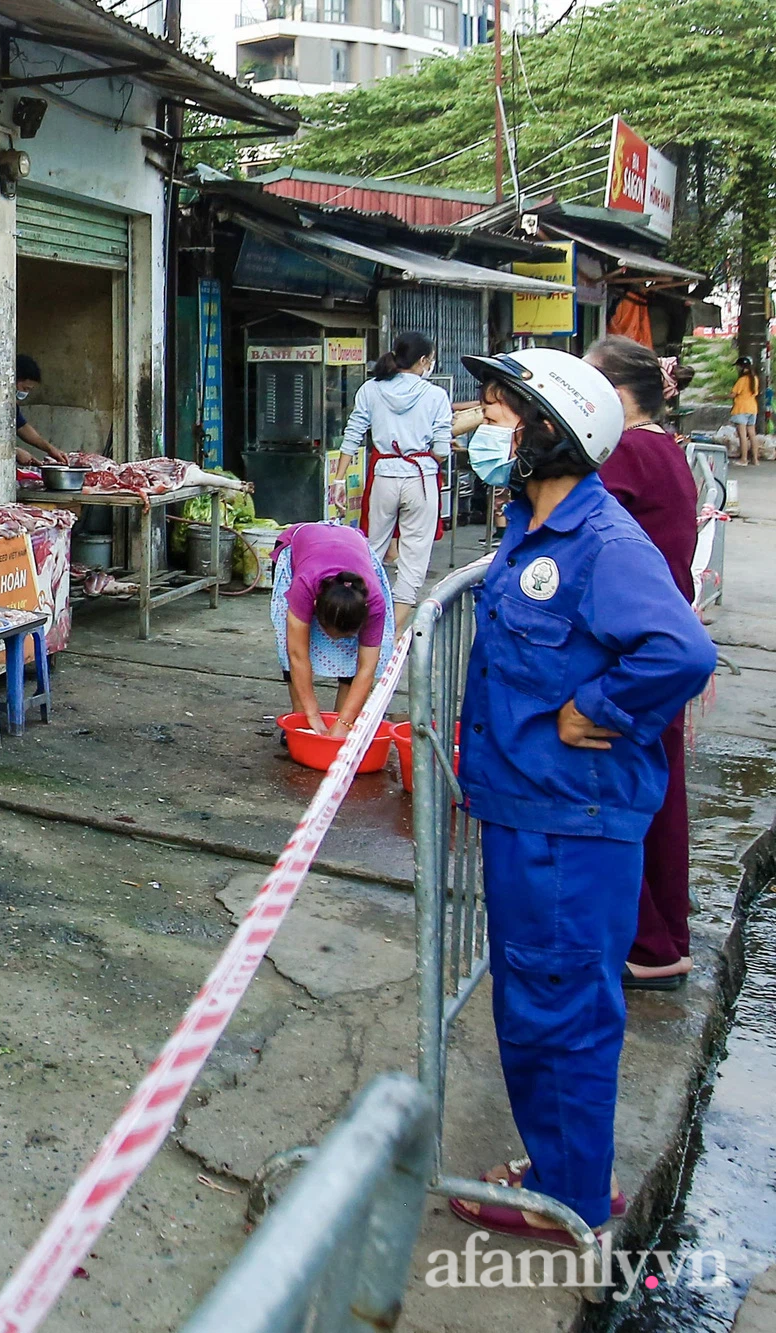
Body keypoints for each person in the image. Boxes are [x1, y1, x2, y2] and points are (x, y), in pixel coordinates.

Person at [447, 347, 714, 1243]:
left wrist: (592, 708)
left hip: (572, 818)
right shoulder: (535, 525)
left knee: (559, 1005)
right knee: (537, 998)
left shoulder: (600, 542)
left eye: (499, 413)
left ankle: (567, 1196)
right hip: (532, 807)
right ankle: (565, 1167)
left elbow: (681, 652)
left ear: (549, 434)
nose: (484, 428)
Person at [586, 335, 700, 991]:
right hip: (660, 642)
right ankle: (663, 939)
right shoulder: (665, 448)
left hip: (638, 652)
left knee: (629, 799)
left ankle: (650, 942)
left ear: (618, 393)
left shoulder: (628, 449)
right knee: (659, 797)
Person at [338, 333, 453, 632]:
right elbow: (441, 449)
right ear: (424, 361)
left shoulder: (370, 390)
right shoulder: (436, 395)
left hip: (384, 475)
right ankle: (393, 631)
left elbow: (352, 435)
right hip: (421, 478)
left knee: (372, 550)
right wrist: (430, 456)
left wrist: (338, 479)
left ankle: (358, 616)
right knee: (414, 557)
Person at [268, 521, 392, 737]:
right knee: (289, 648)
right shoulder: (304, 586)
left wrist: (343, 723)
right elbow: (297, 654)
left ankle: (342, 722)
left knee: (352, 663)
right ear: (315, 608)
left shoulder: (373, 602)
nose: (335, 640)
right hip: (304, 548)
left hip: (352, 547)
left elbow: (366, 668)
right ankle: (301, 722)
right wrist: (312, 714)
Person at [13, 355, 64, 466]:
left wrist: (50, 449)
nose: (26, 393)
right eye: (25, 389)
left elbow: (22, 426)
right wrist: (14, 452)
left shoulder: (11, 407)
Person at [731, 356, 761, 467]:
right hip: (752, 408)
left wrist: (715, 398)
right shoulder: (755, 378)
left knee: (743, 435)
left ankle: (744, 459)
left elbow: (733, 394)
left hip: (741, 408)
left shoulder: (742, 380)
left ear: (742, 367)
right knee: (752, 434)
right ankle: (755, 459)